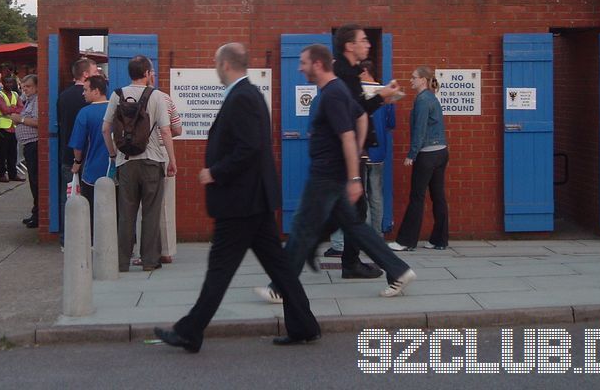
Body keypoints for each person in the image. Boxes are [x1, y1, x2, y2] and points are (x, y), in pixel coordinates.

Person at [154, 43, 320, 352]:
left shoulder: (243, 97)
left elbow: (248, 148)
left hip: (241, 202)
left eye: (216, 62)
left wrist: (215, 172)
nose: (215, 67)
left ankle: (190, 330)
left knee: (220, 269)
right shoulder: (245, 94)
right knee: (279, 268)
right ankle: (305, 326)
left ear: (226, 64)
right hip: (252, 202)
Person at [256, 45, 415, 303]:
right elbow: (361, 117)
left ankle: (280, 287)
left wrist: (354, 176)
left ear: (317, 64)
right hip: (332, 172)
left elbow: (347, 136)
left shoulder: (332, 94)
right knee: (354, 226)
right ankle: (399, 270)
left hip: (327, 173)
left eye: (303, 62)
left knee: (302, 227)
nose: (300, 67)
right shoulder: (337, 91)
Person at [323, 24, 403, 277]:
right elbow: (353, 113)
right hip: (342, 154)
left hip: (348, 154)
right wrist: (381, 97)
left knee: (353, 211)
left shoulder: (350, 73)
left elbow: (358, 108)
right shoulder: (343, 75)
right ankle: (384, 267)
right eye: (363, 40)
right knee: (349, 213)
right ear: (350, 46)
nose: (368, 45)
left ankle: (352, 263)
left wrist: (382, 96)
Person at [101, 55, 177, 272]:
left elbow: (105, 129)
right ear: (146, 73)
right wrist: (172, 160)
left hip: (126, 162)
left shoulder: (117, 95)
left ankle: (122, 261)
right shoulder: (156, 97)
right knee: (151, 212)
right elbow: (165, 130)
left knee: (126, 213)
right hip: (152, 160)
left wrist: (114, 154)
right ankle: (150, 261)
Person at [388, 66, 449, 251]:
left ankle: (405, 241)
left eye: (414, 77)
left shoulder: (422, 100)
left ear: (423, 80)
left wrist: (411, 154)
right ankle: (439, 240)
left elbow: (420, 130)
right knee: (438, 196)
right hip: (441, 152)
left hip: (427, 154)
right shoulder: (431, 97)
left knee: (417, 197)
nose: (411, 80)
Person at [134, 90, 182, 266]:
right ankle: (167, 251)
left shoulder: (126, 96)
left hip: (139, 153)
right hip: (163, 150)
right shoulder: (165, 98)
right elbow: (176, 129)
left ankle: (143, 252)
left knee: (141, 204)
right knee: (166, 203)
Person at [57, 58, 97, 244]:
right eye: (95, 71)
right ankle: (87, 237)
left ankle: (68, 238)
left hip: (66, 153)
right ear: (86, 74)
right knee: (91, 198)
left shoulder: (63, 96)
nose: (98, 74)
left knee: (69, 197)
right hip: (89, 155)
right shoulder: (90, 98)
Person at [68, 75, 109, 236]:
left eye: (86, 90)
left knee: (93, 211)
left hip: (92, 172)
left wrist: (77, 161)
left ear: (96, 91)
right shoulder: (117, 109)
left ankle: (94, 241)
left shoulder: (85, 113)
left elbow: (77, 145)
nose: (83, 93)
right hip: (117, 171)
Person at [359, 59, 396, 236]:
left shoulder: (356, 92)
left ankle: (365, 237)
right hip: (379, 151)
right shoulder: (385, 93)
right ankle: (378, 235)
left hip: (360, 150)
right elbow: (391, 124)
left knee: (361, 196)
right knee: (376, 195)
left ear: (364, 71)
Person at [11, 75, 39, 228]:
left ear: (36, 86)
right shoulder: (28, 100)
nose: (25, 89)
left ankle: (38, 214)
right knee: (33, 180)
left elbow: (38, 121)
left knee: (36, 181)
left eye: (28, 86)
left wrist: (20, 120)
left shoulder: (37, 101)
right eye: (23, 86)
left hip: (34, 144)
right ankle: (36, 211)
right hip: (28, 145)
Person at [0, 76, 24, 183]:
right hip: (3, 126)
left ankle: (13, 174)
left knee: (13, 153)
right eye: (7, 83)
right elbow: (4, 110)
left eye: (11, 83)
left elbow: (21, 108)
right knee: (2, 153)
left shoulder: (15, 94)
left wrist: (11, 109)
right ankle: (1, 175)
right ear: (3, 83)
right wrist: (14, 109)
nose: (9, 85)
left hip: (14, 126)